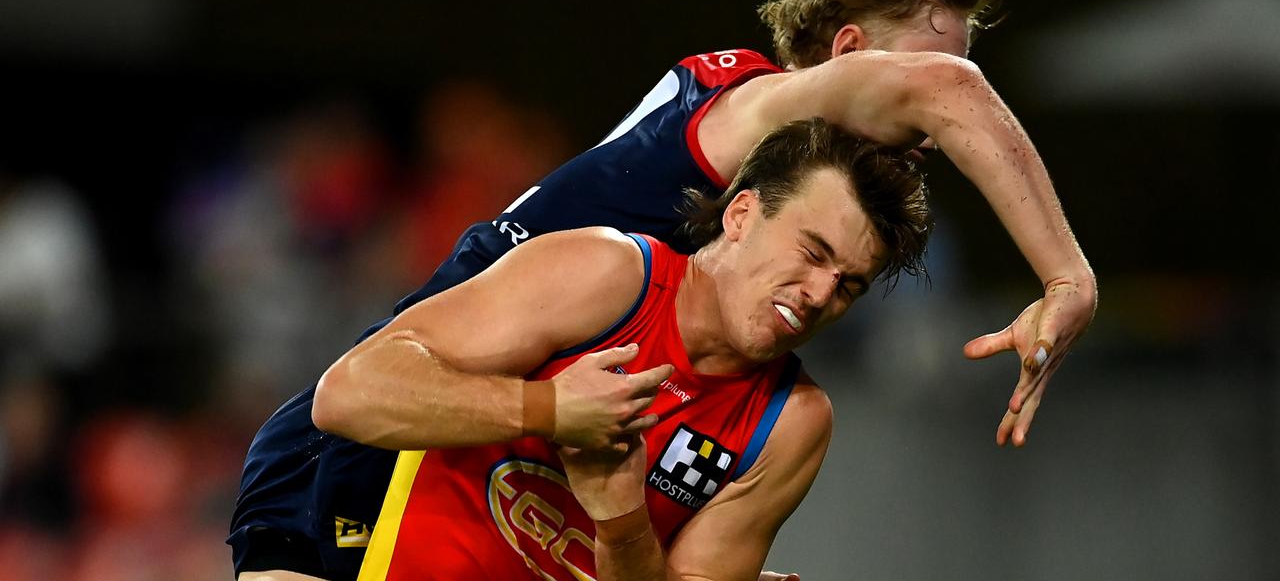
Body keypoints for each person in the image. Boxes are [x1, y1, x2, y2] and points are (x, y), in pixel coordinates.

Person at [230, 0, 1098, 581]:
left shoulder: (751, 183)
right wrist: (1067, 279)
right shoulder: (751, 116)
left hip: (446, 449)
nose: (934, 142)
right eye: (921, 87)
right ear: (846, 56)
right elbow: (951, 93)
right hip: (377, 444)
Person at [313, 118, 931, 580]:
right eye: (813, 252)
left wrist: (622, 519)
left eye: (849, 284)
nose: (822, 292)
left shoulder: (790, 423)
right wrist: (549, 409)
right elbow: (347, 395)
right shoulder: (605, 274)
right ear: (742, 214)